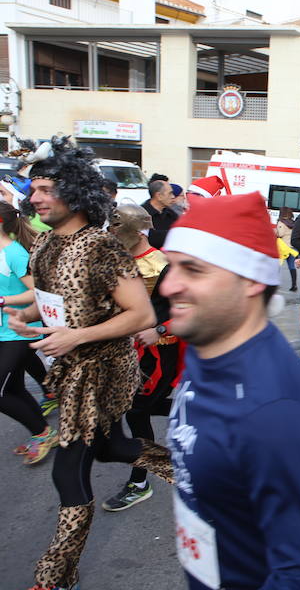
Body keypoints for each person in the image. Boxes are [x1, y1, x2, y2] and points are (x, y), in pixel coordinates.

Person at [161, 192, 300, 589]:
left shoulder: (276, 412)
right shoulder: (206, 346)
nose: (168, 286)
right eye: (171, 266)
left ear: (248, 280)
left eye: (193, 270)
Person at [8, 136, 172, 590]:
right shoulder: (43, 246)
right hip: (69, 370)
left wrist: (76, 336)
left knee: (69, 470)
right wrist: (25, 314)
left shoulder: (101, 248)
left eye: (44, 189)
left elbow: (141, 316)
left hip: (99, 374)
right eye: (33, 188)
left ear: (75, 193)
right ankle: (195, 471)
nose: (33, 196)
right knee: (110, 449)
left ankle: (54, 576)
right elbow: (53, 301)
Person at [101, 204, 184, 512]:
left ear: (137, 232)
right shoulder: (118, 261)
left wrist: (160, 329)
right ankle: (204, 412)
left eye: (118, 231)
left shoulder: (165, 265)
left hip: (160, 352)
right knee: (135, 408)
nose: (113, 236)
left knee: (136, 412)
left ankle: (140, 482)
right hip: (128, 350)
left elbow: (190, 310)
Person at [0, 200, 58, 465]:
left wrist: (4, 301)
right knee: (12, 387)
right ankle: (42, 433)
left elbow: (36, 291)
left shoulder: (14, 253)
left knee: (2, 392)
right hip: (4, 331)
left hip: (20, 331)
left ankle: (42, 432)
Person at [141, 179, 178, 249]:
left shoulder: (171, 214)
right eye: (170, 193)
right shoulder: (142, 214)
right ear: (159, 196)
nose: (173, 196)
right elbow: (150, 239)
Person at [276, 207, 298, 291]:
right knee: (292, 266)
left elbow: (280, 234)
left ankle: (275, 282)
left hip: (283, 247)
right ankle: (294, 285)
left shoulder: (281, 223)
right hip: (292, 247)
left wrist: (276, 232)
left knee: (277, 265)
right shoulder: (293, 223)